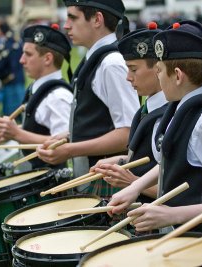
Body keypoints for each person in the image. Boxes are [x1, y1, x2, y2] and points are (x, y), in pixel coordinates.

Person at [106, 20, 202, 233]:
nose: (157, 77)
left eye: (159, 70)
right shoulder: (183, 107)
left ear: (177, 75)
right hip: (179, 240)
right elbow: (172, 159)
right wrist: (135, 187)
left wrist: (171, 214)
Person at [37, 0, 140, 198]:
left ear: (97, 19)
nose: (66, 25)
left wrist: (70, 150)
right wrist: (69, 136)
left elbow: (127, 134)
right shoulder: (95, 60)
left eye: (73, 17)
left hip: (109, 189)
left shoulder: (111, 64)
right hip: (93, 183)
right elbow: (101, 122)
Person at [90, 22, 168, 202]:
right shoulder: (147, 109)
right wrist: (122, 161)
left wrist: (132, 181)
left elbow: (183, 187)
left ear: (158, 70)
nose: (128, 77)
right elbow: (148, 160)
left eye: (133, 69)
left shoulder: (170, 116)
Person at [0, 24, 73, 169]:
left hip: (51, 184)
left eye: (28, 54)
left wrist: (18, 134)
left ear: (47, 59)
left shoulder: (58, 96)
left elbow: (64, 143)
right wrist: (12, 131)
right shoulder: (36, 88)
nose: (21, 60)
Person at [0, 17, 25, 117]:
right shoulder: (1, 43)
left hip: (13, 83)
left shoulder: (11, 44)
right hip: (6, 84)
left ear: (1, 30)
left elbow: (11, 65)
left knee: (14, 115)